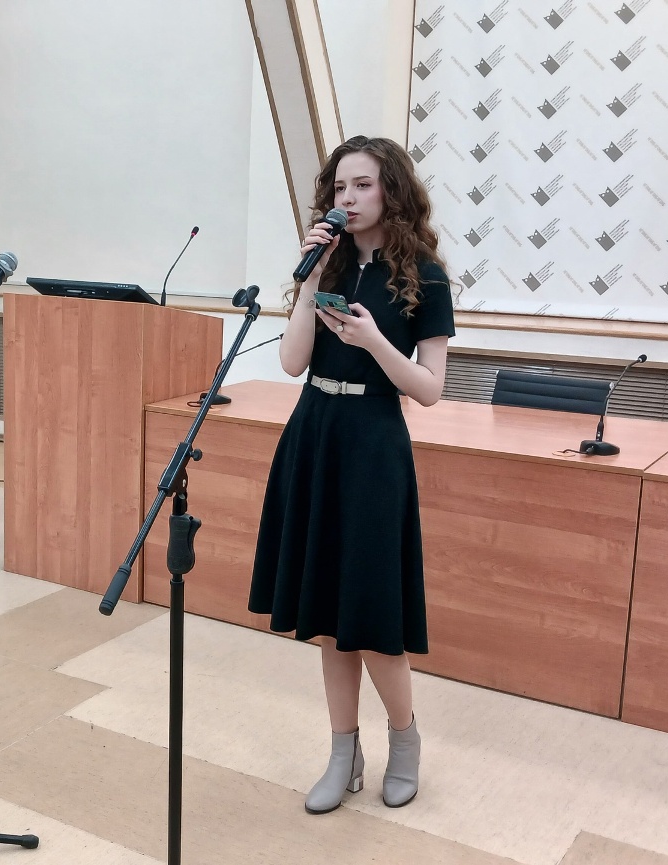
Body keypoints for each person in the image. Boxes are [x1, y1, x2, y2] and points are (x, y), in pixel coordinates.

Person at [248, 135, 455, 815]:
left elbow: (429, 388)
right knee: (328, 622)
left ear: (392, 190)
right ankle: (344, 752)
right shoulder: (329, 266)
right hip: (314, 435)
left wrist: (373, 340)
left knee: (372, 616)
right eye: (340, 187)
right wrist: (309, 282)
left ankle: (405, 740)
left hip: (373, 445)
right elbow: (292, 362)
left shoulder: (424, 275)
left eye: (363, 185)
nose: (348, 198)